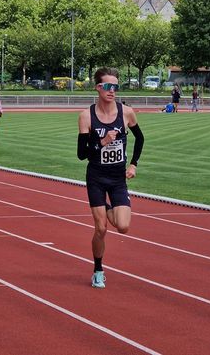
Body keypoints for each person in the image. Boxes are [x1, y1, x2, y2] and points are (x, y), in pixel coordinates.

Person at [77, 67, 144, 289]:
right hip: (96, 176)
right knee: (101, 229)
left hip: (117, 178)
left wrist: (133, 164)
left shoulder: (126, 112)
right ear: (98, 88)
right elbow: (81, 155)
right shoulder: (86, 116)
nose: (112, 91)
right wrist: (101, 142)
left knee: (123, 226)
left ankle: (106, 207)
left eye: (115, 87)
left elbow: (140, 138)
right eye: (108, 86)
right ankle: (98, 270)